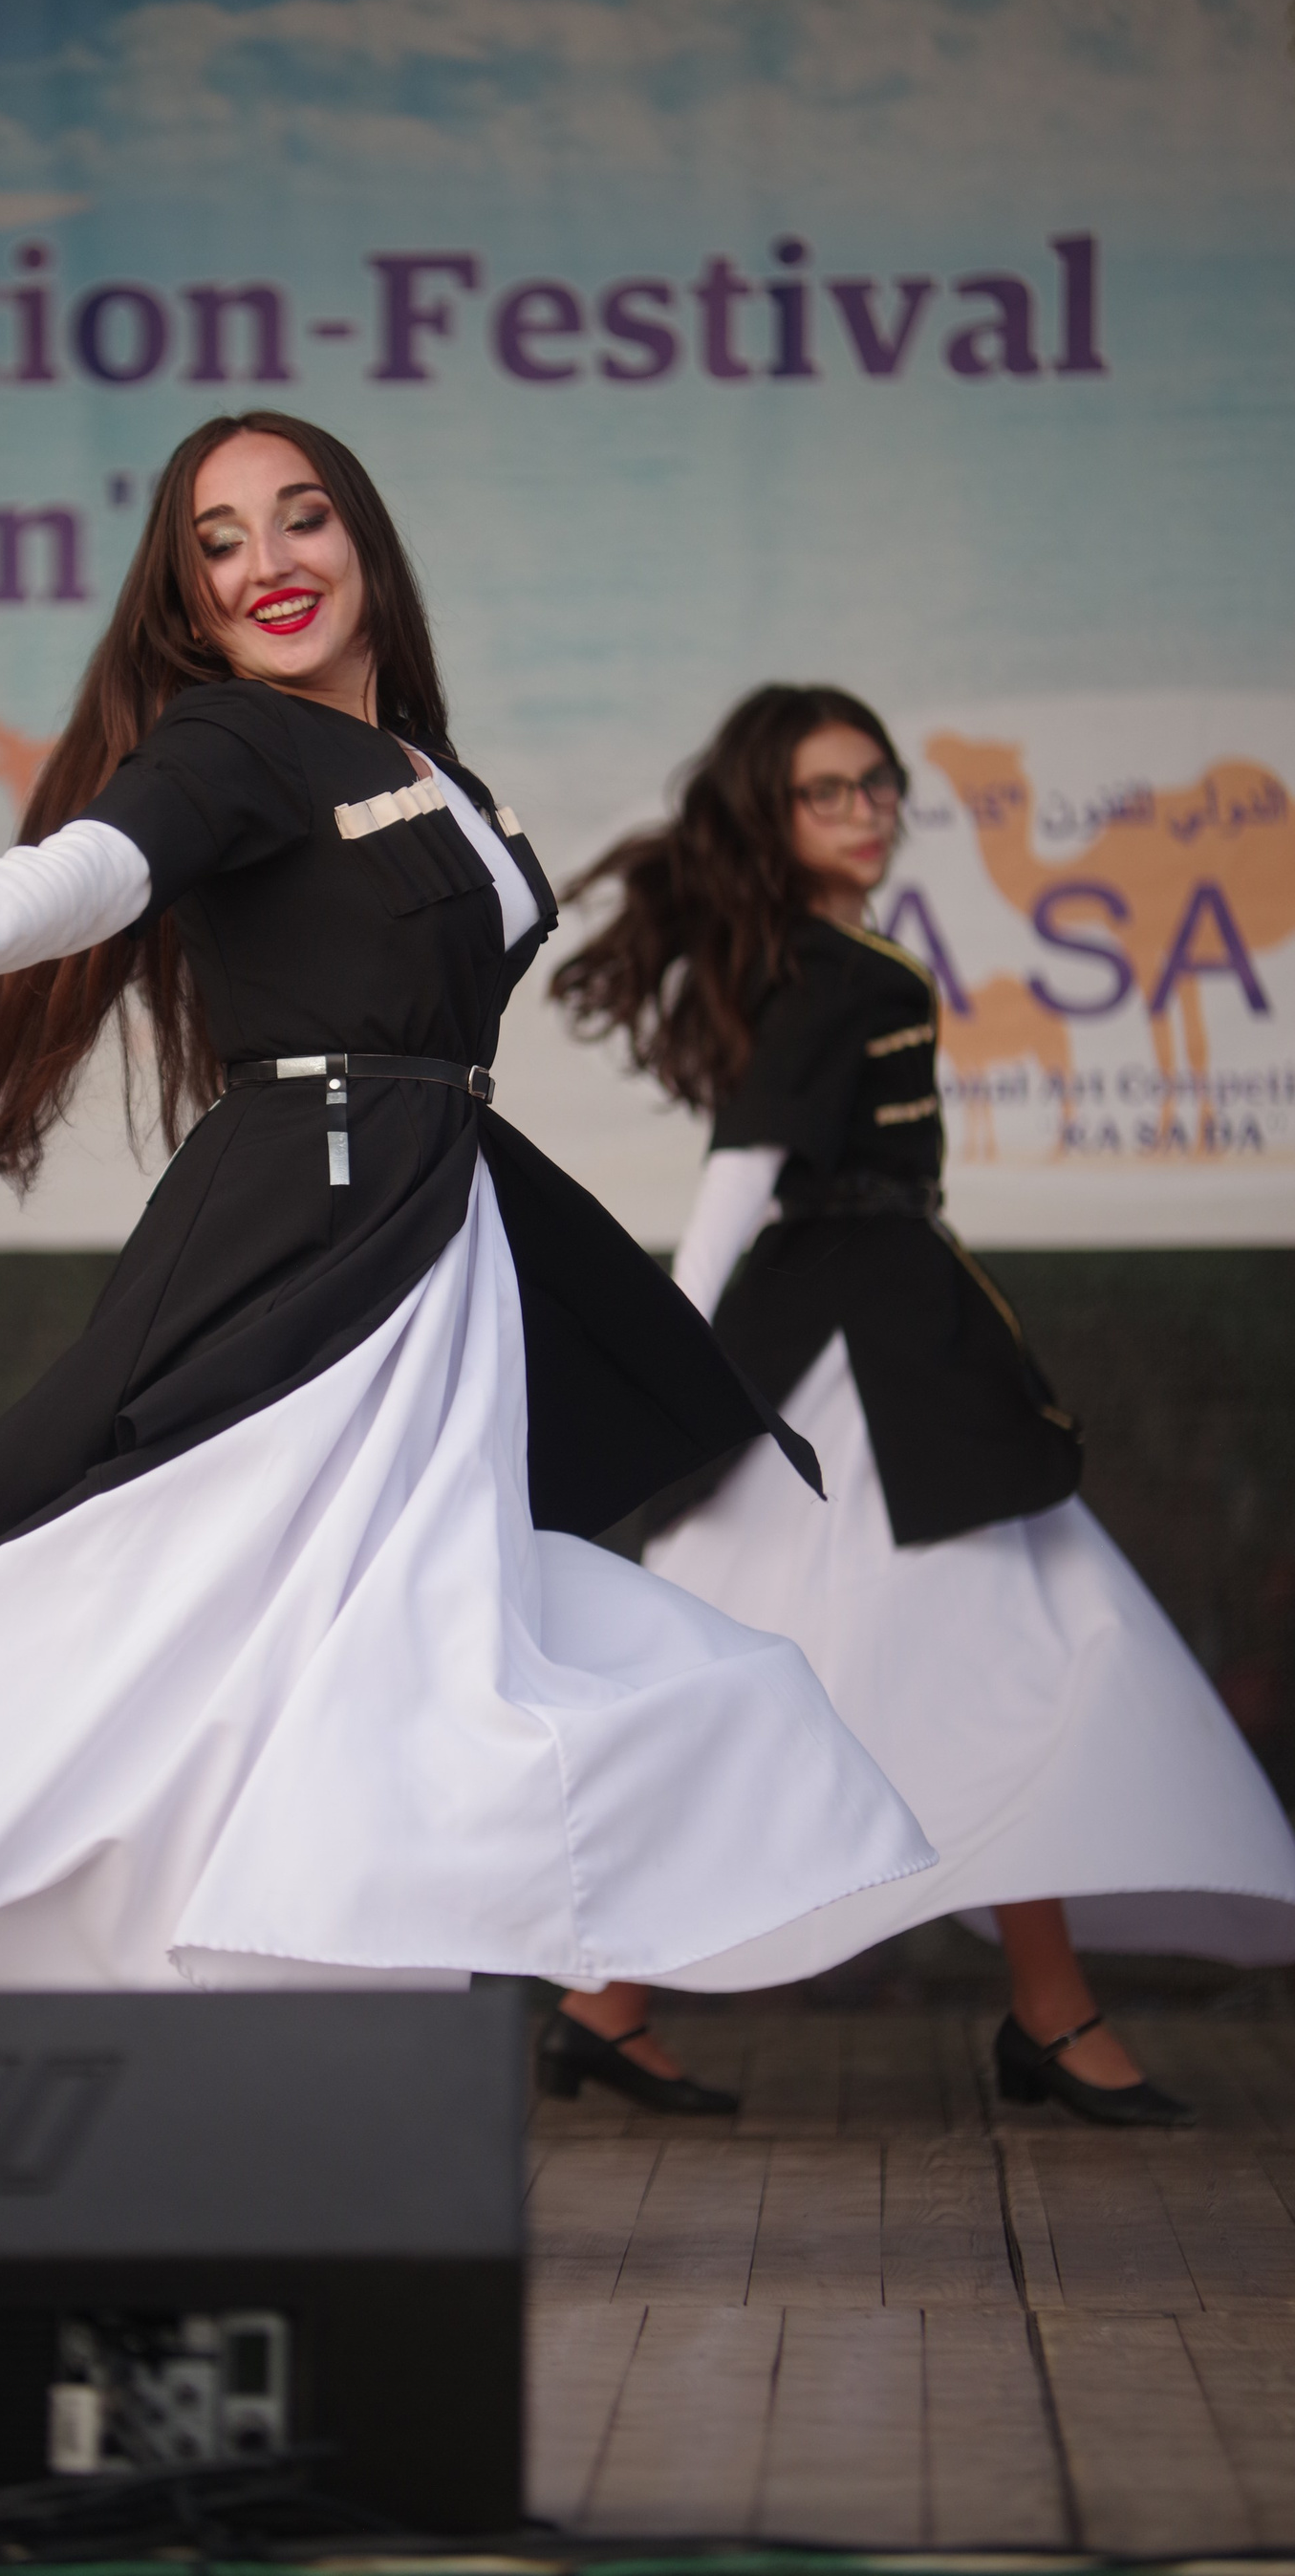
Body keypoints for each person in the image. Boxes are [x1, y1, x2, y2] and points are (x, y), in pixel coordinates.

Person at [0, 418, 933, 2100]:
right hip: (315, 1235)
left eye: (301, 520)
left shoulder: (429, 767)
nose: (269, 565)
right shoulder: (230, 742)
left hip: (431, 1227)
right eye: (221, 544)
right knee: (152, 1609)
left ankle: (325, 2060)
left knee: (385, 1655)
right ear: (189, 603)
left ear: (364, 540)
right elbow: (95, 867)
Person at [555, 681, 1295, 2126]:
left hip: (879, 1348)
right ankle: (1039, 2012)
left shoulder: (827, 957)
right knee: (997, 1663)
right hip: (857, 1374)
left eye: (878, 783)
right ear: (774, 816)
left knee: (948, 1662)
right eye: (828, 792)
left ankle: (616, 2006)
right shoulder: (836, 972)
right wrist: (670, 1355)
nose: (867, 811)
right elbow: (741, 1171)